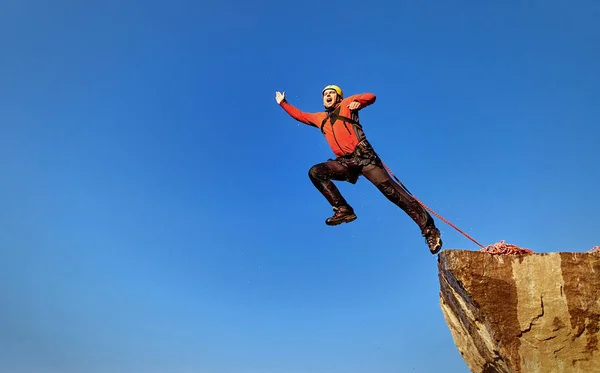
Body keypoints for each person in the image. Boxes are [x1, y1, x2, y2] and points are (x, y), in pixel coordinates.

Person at [275, 85, 442, 254]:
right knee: (316, 172)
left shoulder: (347, 103)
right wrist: (283, 103)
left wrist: (359, 103)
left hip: (364, 158)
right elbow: (301, 116)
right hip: (345, 163)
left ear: (339, 97)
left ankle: (429, 230)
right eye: (325, 94)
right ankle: (343, 209)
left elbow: (371, 96)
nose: (327, 95)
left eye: (331, 93)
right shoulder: (320, 118)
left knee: (392, 192)